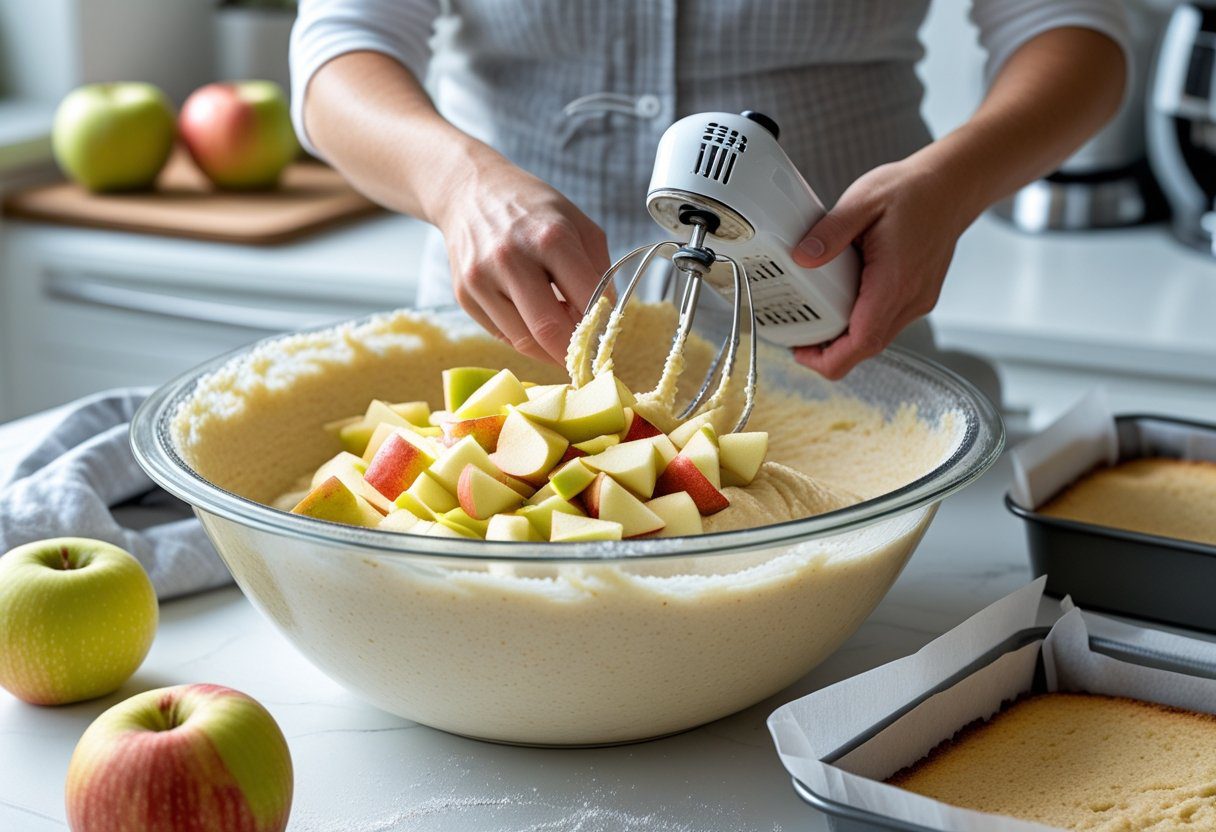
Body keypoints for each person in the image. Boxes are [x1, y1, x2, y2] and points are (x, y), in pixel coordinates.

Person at [290, 1, 1128, 379]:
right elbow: (340, 47)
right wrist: (459, 184)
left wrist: (950, 183)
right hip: (513, 342)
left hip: (837, 351)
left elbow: (1076, 34)